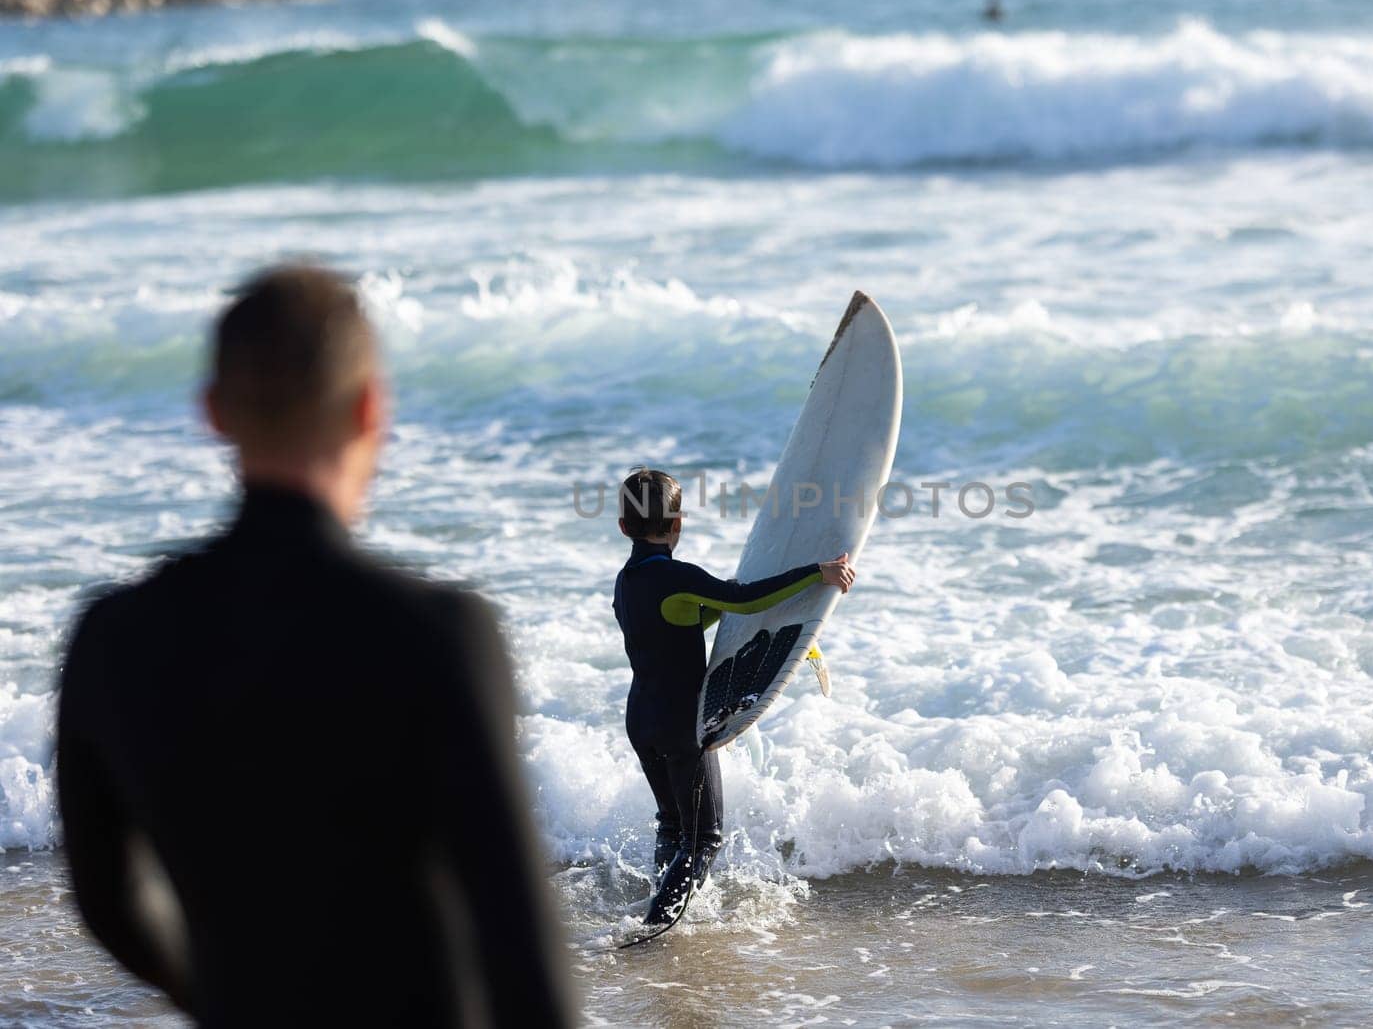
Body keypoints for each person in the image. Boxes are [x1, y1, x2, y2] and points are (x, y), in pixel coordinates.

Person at [56, 266, 573, 1027]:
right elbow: (526, 962)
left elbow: (108, 901)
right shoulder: (441, 635)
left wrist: (219, 993)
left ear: (213, 412)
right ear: (370, 408)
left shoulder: (112, 636)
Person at [611, 467, 854, 926]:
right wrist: (816, 573)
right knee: (702, 839)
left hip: (640, 719)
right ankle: (656, 925)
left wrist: (718, 611)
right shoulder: (678, 576)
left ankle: (657, 907)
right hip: (681, 722)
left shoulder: (626, 582)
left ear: (624, 527)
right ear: (678, 524)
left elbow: (677, 626)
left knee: (672, 824)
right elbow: (743, 599)